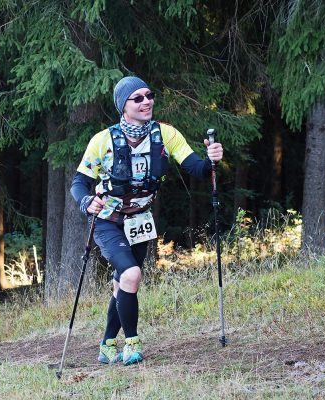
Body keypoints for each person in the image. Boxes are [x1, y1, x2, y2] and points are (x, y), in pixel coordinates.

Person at [70, 76, 223, 365]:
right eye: (137, 98)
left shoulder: (165, 134)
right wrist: (86, 201)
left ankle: (105, 345)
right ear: (123, 106)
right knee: (131, 275)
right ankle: (132, 344)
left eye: (149, 95)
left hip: (140, 219)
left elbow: (198, 169)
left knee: (123, 283)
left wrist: (212, 159)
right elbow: (79, 182)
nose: (146, 102)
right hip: (108, 219)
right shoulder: (103, 140)